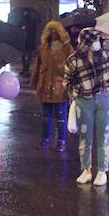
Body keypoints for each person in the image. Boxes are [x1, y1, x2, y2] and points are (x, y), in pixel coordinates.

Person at [63, 28, 109, 187]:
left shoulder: (106, 55)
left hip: (104, 99)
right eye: (94, 40)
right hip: (84, 101)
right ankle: (86, 169)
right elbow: (67, 81)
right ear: (85, 43)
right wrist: (77, 92)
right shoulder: (73, 60)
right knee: (85, 137)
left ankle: (102, 171)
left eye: (98, 40)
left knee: (104, 137)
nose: (97, 43)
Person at [32, 20, 71, 151]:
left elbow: (73, 65)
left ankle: (61, 141)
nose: (53, 34)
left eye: (56, 31)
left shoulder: (67, 47)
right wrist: (34, 82)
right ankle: (45, 140)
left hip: (60, 88)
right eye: (51, 31)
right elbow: (38, 66)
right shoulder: (43, 47)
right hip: (44, 86)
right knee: (45, 116)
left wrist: (63, 71)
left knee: (61, 117)